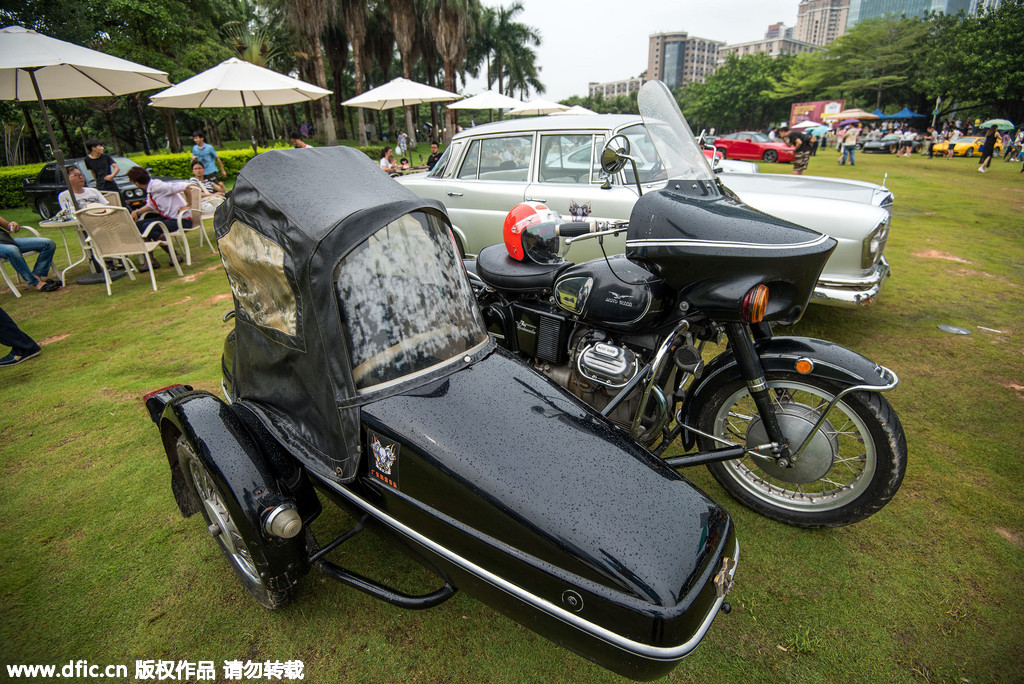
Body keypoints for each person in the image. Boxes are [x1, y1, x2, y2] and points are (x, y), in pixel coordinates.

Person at [127, 166, 188, 269]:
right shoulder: (151, 189)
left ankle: (173, 255)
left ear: (136, 183)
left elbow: (186, 186)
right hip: (169, 218)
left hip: (182, 219)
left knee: (149, 227)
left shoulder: (158, 186)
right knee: (140, 225)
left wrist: (189, 204)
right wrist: (137, 212)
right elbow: (151, 205)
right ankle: (151, 260)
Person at [0, 214, 59, 292]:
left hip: (6, 240)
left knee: (48, 243)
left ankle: (37, 274)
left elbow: (9, 226)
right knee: (12, 250)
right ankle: (35, 283)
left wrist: (12, 225)